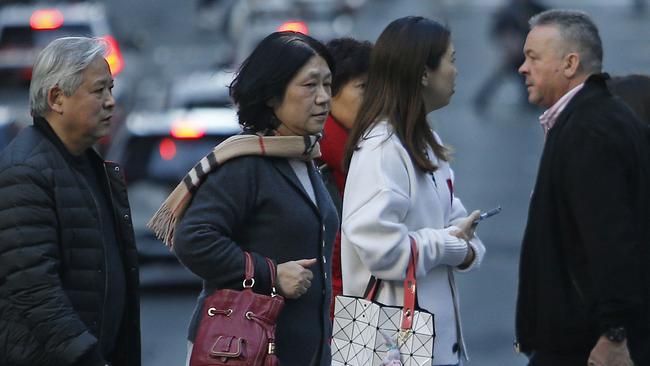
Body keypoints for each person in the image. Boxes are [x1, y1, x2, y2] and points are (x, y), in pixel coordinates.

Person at [163, 31, 338, 366]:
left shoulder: (304, 158)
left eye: (328, 85)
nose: (323, 98)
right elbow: (193, 239)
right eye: (310, 85)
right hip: (243, 350)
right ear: (272, 96)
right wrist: (270, 275)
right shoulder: (247, 163)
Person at [341, 16, 486, 366]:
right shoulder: (381, 147)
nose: (456, 71)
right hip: (391, 340)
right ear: (424, 73)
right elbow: (383, 250)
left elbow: (461, 229)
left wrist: (463, 248)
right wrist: (453, 244)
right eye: (450, 60)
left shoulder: (425, 140)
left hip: (432, 343)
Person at [515, 10, 650, 366]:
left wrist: (614, 335)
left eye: (532, 58)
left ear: (570, 63)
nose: (521, 68)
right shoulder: (593, 118)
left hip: (583, 347)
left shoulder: (589, 129)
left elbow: (611, 240)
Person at [0, 37, 140, 366]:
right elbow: (34, 289)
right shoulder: (26, 171)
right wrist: (87, 356)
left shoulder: (87, 164)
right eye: (98, 91)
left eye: (111, 89)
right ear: (57, 98)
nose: (110, 102)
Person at [318, 37, 372, 317]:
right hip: (342, 313)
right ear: (330, 91)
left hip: (363, 309)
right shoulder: (316, 158)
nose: (375, 98)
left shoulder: (367, 150)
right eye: (363, 87)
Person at [473, 0, 546, 113]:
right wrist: (508, 43)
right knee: (507, 73)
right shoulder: (510, 10)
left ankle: (530, 103)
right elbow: (499, 29)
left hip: (524, 50)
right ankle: (481, 99)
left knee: (523, 76)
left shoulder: (534, 7)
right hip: (515, 50)